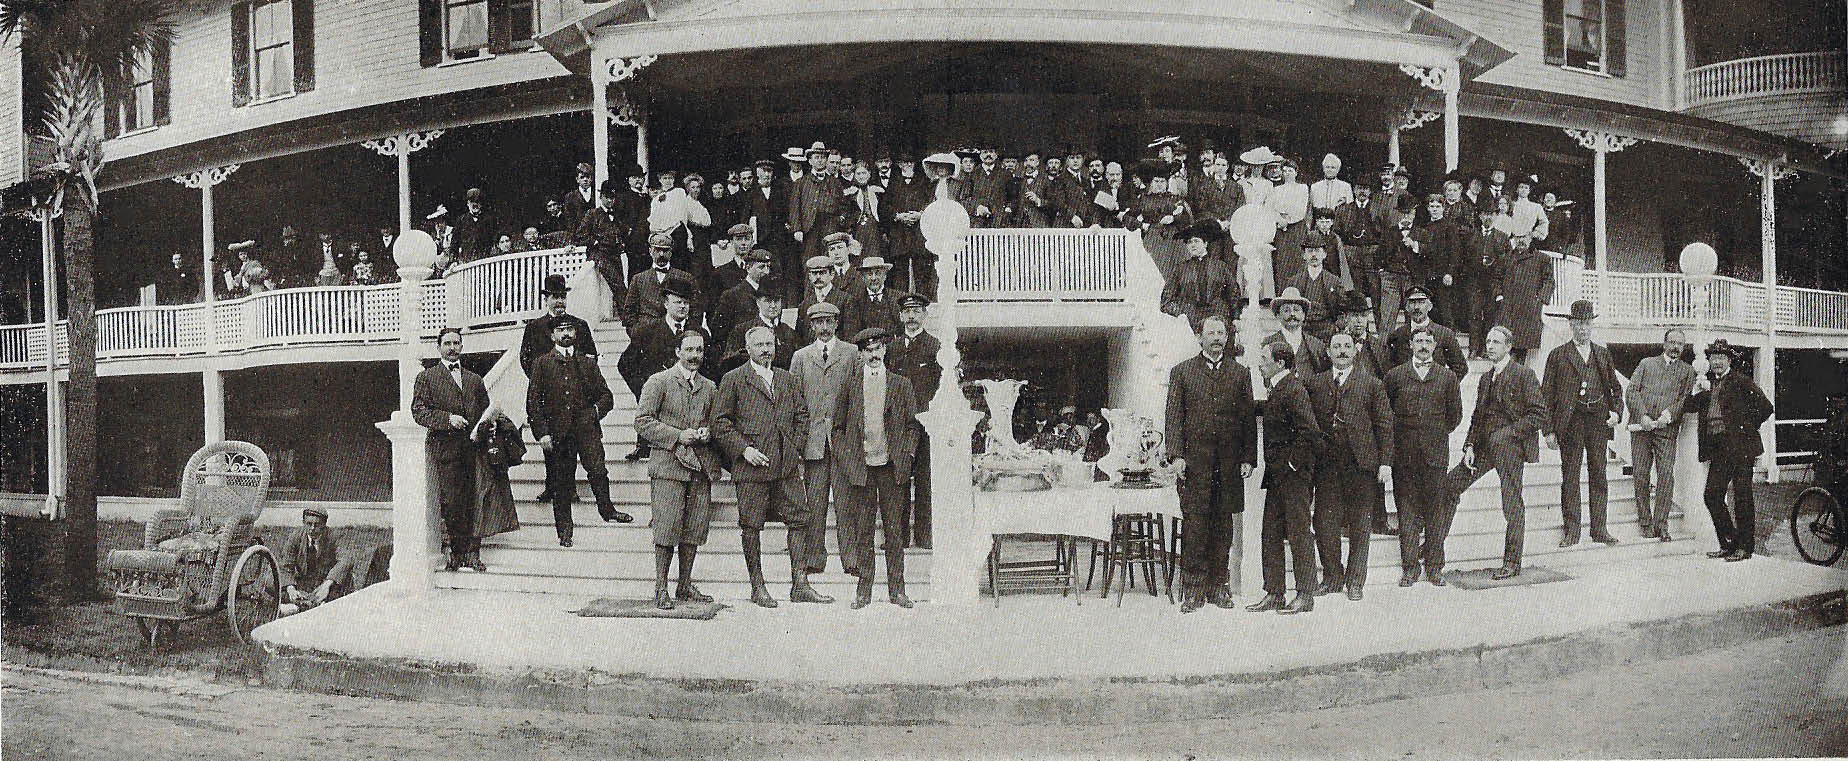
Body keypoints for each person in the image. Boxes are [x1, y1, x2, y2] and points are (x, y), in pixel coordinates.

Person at [714, 326, 829, 606]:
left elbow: (802, 415)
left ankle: (800, 584)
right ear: (748, 349)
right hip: (751, 469)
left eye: (769, 344)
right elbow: (720, 422)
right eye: (759, 345)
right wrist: (744, 450)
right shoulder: (734, 379)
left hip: (786, 468)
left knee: (800, 520)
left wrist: (794, 447)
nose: (766, 350)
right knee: (751, 525)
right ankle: (758, 587)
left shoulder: (787, 379)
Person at [1165, 316, 1257, 612]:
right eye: (1211, 333)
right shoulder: (1182, 372)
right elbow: (1173, 418)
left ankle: (1219, 586)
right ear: (1199, 338)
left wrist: (1248, 457)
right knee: (1195, 526)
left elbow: (1247, 420)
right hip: (1195, 466)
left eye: (1221, 333)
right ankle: (1193, 589)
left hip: (1228, 465)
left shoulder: (1240, 373)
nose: (1217, 337)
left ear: (1227, 338)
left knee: (1223, 527)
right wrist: (1177, 456)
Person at [1445, 326, 1546, 580]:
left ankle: (1512, 562)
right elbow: (1477, 417)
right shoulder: (1485, 378)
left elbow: (1538, 415)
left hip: (1511, 448)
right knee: (1449, 486)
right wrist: (1469, 446)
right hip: (1483, 447)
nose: (1489, 346)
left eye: (1496, 342)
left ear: (1508, 347)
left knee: (1512, 504)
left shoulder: (1523, 374)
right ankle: (1433, 548)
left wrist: (1508, 434)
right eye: (1488, 341)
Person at [633, 329, 725, 610]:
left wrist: (708, 432)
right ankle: (661, 588)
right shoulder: (658, 382)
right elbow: (642, 421)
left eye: (699, 350)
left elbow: (717, 422)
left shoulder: (709, 387)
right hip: (668, 467)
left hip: (699, 467)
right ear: (677, 352)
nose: (695, 355)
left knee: (694, 528)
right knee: (666, 528)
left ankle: (684, 585)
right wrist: (677, 435)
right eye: (689, 350)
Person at [829, 328, 920, 609]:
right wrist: (848, 459)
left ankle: (898, 590)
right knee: (863, 531)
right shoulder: (850, 385)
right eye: (868, 350)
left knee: (894, 532)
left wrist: (906, 454)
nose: (873, 355)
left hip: (891, 468)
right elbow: (837, 428)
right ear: (860, 354)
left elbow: (913, 426)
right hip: (862, 469)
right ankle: (863, 591)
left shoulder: (901, 384)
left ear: (885, 350)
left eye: (878, 349)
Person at [528, 318, 631, 548]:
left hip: (587, 431)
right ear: (552, 335)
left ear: (576, 333)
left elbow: (606, 396)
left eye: (569, 329)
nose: (565, 334)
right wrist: (542, 433)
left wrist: (594, 413)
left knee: (598, 470)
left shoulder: (587, 363)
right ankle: (564, 531)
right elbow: (533, 403)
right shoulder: (542, 363)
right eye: (560, 330)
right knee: (561, 483)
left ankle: (607, 510)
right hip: (558, 434)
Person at [1307, 331, 1394, 601]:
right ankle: (1332, 576)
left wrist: (1385, 462)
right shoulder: (1316, 383)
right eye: (1337, 346)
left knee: (1360, 524)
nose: (1342, 351)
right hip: (1328, 465)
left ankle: (1356, 581)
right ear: (1328, 352)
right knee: (1324, 522)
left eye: (1347, 346)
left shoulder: (1372, 384)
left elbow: (1385, 425)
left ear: (1355, 351)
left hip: (1361, 464)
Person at [1541, 299, 1626, 547]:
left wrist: (1616, 412)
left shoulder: (1602, 354)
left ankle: (1599, 529)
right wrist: (1548, 430)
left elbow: (1616, 389)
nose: (1583, 329)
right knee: (1570, 476)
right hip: (1571, 423)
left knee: (1599, 474)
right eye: (1578, 324)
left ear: (1592, 325)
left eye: (1587, 324)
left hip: (1598, 421)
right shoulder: (1558, 355)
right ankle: (1572, 531)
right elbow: (1546, 396)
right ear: (1571, 325)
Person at [1384, 326, 1464, 585]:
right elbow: (1386, 414)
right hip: (1404, 456)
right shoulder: (1395, 376)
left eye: (1428, 341)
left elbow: (1455, 416)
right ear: (1410, 344)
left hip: (1435, 456)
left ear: (1435, 345)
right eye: (1418, 340)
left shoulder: (1447, 377)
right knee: (1406, 512)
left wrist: (1433, 433)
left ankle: (1434, 566)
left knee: (1435, 512)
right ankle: (1410, 568)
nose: (1423, 345)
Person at [1248, 341, 1322, 615]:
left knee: (1299, 533)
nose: (1260, 363)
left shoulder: (1293, 388)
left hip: (1293, 476)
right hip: (1278, 476)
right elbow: (1274, 411)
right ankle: (1274, 592)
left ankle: (1306, 594)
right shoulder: (1280, 388)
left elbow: (1310, 432)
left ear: (1280, 363)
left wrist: (1292, 463)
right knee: (1270, 533)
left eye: (1264, 358)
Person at [1683, 339, 1773, 562]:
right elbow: (1689, 405)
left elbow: (1766, 407)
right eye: (1714, 357)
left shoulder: (1741, 381)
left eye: (1721, 358)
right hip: (1720, 449)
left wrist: (1745, 429)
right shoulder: (1709, 384)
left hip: (1742, 448)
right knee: (1712, 495)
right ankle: (1730, 543)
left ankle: (1745, 548)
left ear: (1729, 360)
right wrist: (1696, 390)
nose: (1717, 362)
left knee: (1742, 497)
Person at [411, 327, 490, 571]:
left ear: (462, 346)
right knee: (452, 503)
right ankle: (457, 552)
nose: (453, 348)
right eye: (447, 343)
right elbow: (419, 411)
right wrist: (447, 419)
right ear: (439, 348)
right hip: (447, 451)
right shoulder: (427, 377)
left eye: (456, 343)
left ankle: (473, 554)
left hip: (474, 450)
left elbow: (485, 411)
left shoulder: (475, 380)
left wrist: (487, 425)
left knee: (476, 501)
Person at [791, 301, 859, 578]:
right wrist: (799, 439)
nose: (824, 327)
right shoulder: (801, 357)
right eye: (819, 322)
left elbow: (857, 397)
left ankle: (852, 558)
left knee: (846, 502)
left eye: (829, 321)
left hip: (842, 440)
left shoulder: (851, 353)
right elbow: (795, 399)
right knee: (815, 502)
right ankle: (814, 557)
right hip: (814, 441)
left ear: (836, 323)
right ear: (812, 326)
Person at [619, 279, 707, 459]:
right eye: (678, 302)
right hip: (658, 406)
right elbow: (625, 364)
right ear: (666, 303)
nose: (682, 306)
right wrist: (644, 389)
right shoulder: (647, 331)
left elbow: (709, 369)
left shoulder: (700, 333)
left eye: (686, 302)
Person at [1626, 329, 1699, 542]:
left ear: (1683, 347)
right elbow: (1631, 391)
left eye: (1680, 344)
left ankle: (1661, 524)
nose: (1675, 347)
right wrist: (1642, 415)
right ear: (1664, 343)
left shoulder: (1687, 371)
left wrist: (1669, 414)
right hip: (1641, 429)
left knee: (1666, 475)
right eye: (1672, 342)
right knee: (1641, 474)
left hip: (1666, 431)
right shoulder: (1646, 364)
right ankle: (1645, 522)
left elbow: (1685, 399)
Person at [886, 293, 940, 549]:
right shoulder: (892, 348)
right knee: (898, 479)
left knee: (925, 480)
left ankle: (925, 535)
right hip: (899, 425)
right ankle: (899, 537)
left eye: (916, 311)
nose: (911, 316)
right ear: (900, 316)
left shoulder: (935, 347)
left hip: (926, 424)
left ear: (925, 315)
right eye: (907, 312)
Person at [1160, 220, 1240, 333]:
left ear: (1205, 243)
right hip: (1192, 321)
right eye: (1189, 242)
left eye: (1196, 241)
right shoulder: (1180, 269)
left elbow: (1233, 292)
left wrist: (1236, 317)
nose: (1192, 245)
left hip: (1218, 318)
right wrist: (1181, 313)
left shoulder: (1220, 266)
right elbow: (1166, 301)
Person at [278, 508, 355, 616]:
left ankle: (299, 606)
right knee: (270, 580)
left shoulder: (335, 536)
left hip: (326, 582)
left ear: (324, 525)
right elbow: (285, 565)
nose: (312, 528)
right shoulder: (295, 536)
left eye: (317, 525)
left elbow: (346, 559)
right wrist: (291, 588)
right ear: (303, 523)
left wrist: (327, 584)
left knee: (345, 581)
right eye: (309, 524)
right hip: (304, 583)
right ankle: (312, 603)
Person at [1459, 205, 1512, 357]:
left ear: (1495, 216)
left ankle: (1485, 349)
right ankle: (1473, 348)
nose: (1488, 217)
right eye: (1485, 214)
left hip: (1493, 283)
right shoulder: (1471, 235)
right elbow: (1463, 258)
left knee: (1490, 315)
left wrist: (1494, 265)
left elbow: (1507, 262)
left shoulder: (1502, 237)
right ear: (1480, 216)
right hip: (1475, 281)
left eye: (1491, 214)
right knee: (1474, 314)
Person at [1387, 286, 1470, 380]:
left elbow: (1461, 367)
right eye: (1412, 302)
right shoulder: (1398, 335)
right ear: (1406, 308)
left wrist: (1443, 385)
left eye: (1421, 302)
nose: (1416, 307)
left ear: (1430, 306)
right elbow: (1390, 369)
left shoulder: (1445, 334)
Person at [1494, 235, 1552, 366]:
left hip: (1528, 309)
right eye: (1518, 237)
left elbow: (1549, 281)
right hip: (1508, 309)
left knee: (1522, 349)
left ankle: (1517, 373)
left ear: (1530, 237)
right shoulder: (1506, 258)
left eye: (1524, 236)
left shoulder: (1542, 259)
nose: (1521, 240)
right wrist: (1499, 295)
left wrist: (1540, 299)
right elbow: (1496, 279)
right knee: (1506, 343)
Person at [573, 179, 632, 306]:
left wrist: (622, 241)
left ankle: (623, 313)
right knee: (618, 284)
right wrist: (594, 242)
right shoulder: (592, 214)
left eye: (613, 198)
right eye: (607, 197)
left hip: (614, 254)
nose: (610, 201)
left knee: (620, 283)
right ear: (601, 197)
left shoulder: (616, 215)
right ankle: (627, 313)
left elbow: (623, 231)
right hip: (599, 254)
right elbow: (579, 235)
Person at [623, 233, 700, 329]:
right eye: (657, 250)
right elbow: (629, 312)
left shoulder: (685, 277)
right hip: (647, 333)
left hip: (676, 333)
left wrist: (687, 332)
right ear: (650, 251)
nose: (661, 254)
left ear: (671, 252)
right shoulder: (638, 279)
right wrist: (636, 333)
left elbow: (696, 310)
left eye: (665, 250)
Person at [710, 249, 774, 353]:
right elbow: (719, 331)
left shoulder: (772, 295)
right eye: (761, 267)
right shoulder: (731, 295)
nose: (766, 272)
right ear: (748, 268)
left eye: (768, 267)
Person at [1286, 231, 1344, 343]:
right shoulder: (1294, 282)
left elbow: (1342, 311)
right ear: (1304, 255)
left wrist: (1336, 327)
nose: (1313, 255)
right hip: (1302, 330)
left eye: (1317, 250)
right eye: (1310, 251)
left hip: (1327, 331)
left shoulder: (1334, 281)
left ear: (1324, 254)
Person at [791, 142, 844, 260]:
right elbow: (795, 208)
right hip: (809, 228)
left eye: (823, 157)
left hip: (830, 227)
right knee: (810, 260)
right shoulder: (801, 183)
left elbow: (844, 204)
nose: (820, 160)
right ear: (810, 161)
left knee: (830, 259)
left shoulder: (835, 182)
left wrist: (841, 219)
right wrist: (797, 229)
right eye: (816, 157)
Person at [724, 288, 797, 373]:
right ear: (758, 302)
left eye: (776, 301)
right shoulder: (742, 330)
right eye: (768, 301)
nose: (773, 305)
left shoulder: (789, 331)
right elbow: (729, 360)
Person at [1263, 287, 1331, 375]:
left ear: (1304, 315)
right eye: (1286, 310)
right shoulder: (1267, 344)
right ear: (1278, 315)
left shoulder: (1317, 345)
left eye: (1296, 310)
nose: (1292, 314)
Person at [796, 255, 856, 346]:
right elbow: (801, 339)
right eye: (814, 273)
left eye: (822, 273)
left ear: (832, 274)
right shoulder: (804, 305)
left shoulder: (846, 300)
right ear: (809, 276)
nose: (818, 277)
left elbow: (850, 336)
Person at [845, 256, 902, 336]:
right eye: (869, 274)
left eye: (878, 273)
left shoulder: (898, 298)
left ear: (885, 276)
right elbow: (852, 334)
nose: (873, 278)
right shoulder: (854, 302)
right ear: (863, 278)